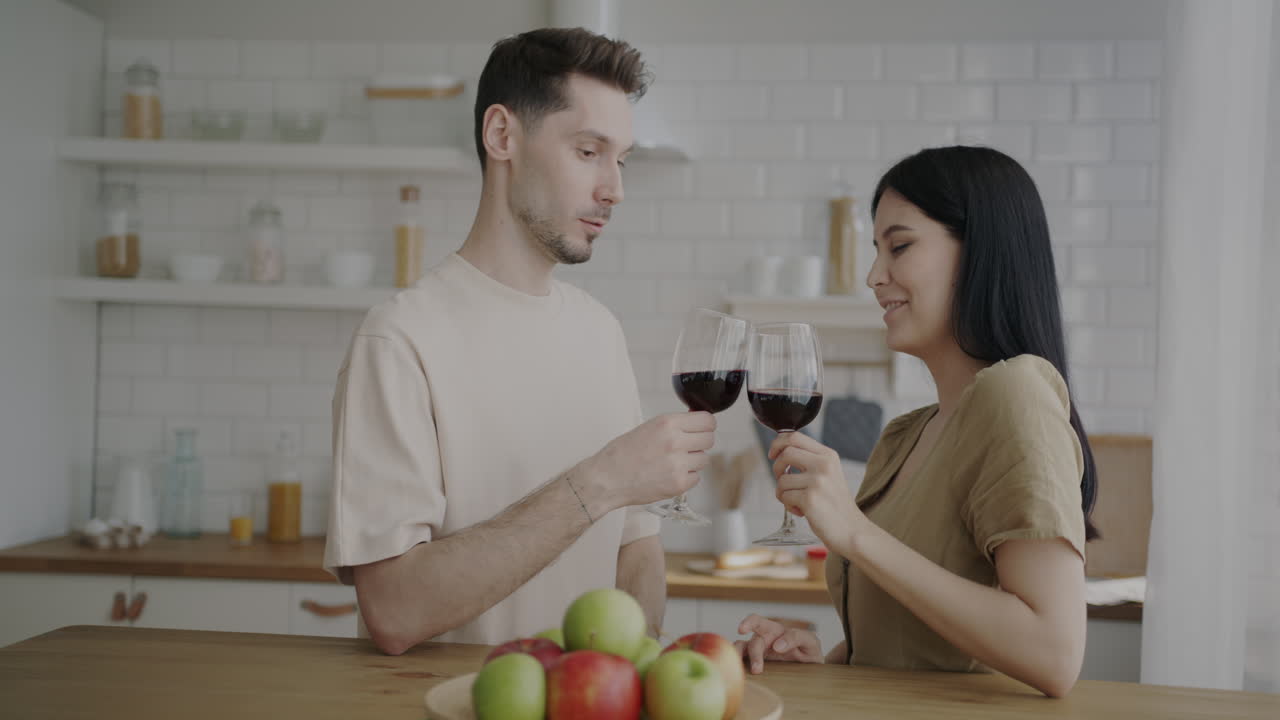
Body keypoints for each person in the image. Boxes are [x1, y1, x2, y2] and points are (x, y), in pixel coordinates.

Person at [323, 27, 716, 656]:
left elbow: (635, 546)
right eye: (589, 152)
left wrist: (632, 669)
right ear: (502, 136)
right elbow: (394, 609)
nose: (615, 188)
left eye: (623, 159)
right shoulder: (400, 340)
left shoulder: (600, 331)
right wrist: (602, 481)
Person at [736, 145, 1099, 698]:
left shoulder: (1015, 392)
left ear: (980, 251)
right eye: (876, 250)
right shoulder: (905, 436)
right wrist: (829, 660)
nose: (874, 275)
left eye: (899, 246)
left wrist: (855, 534)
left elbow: (1054, 653)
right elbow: (919, 652)